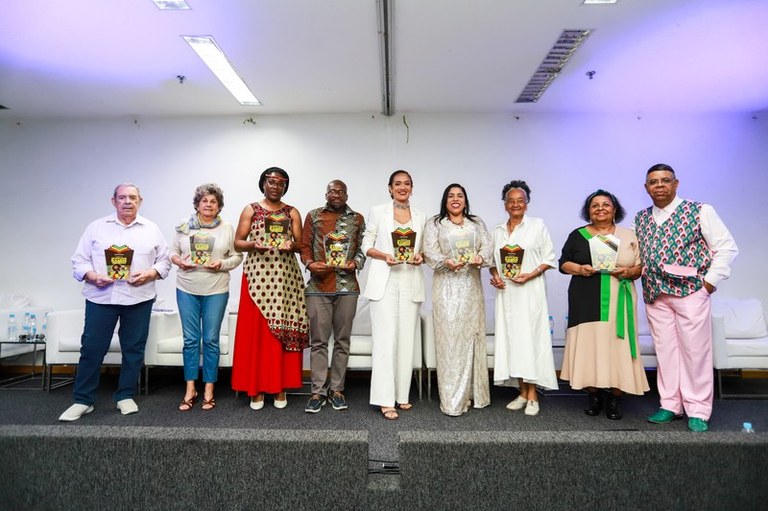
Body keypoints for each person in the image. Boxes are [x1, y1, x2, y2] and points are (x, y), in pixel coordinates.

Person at [635, 163, 738, 432]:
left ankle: (698, 409)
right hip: (655, 294)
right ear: (646, 187)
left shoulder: (700, 210)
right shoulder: (640, 218)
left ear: (676, 184)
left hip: (691, 291)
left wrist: (709, 283)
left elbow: (726, 248)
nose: (659, 185)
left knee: (695, 352)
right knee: (665, 352)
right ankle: (670, 404)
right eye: (653, 182)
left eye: (665, 180)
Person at [59, 184, 171, 421]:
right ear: (114, 201)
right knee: (92, 348)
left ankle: (125, 395)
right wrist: (92, 276)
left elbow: (164, 261)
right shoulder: (96, 227)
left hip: (139, 299)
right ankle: (83, 400)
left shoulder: (151, 229)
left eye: (132, 197)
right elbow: (79, 261)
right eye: (122, 197)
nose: (127, 201)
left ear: (140, 201)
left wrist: (150, 274)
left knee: (133, 349)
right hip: (101, 298)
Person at [558, 190, 649, 420]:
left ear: (615, 209)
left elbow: (639, 268)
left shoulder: (629, 235)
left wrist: (628, 271)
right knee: (589, 346)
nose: (600, 208)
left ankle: (616, 398)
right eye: (595, 205)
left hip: (620, 299)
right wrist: (580, 269)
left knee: (618, 346)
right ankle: (594, 395)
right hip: (585, 300)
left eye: (606, 204)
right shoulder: (577, 235)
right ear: (588, 211)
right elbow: (563, 264)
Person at [231, 167, 309, 410]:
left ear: (285, 187)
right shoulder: (251, 209)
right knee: (257, 334)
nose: (275, 186)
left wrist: (291, 245)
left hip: (285, 281)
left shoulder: (292, 212)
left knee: (280, 333)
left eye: (280, 183)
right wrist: (253, 244)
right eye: (271, 181)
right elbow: (237, 243)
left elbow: (301, 245)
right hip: (257, 279)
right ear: (263, 184)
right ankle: (255, 389)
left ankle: (280, 386)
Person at [170, 183, 243, 412]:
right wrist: (180, 261)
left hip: (216, 290)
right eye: (204, 201)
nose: (209, 205)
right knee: (191, 340)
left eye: (213, 201)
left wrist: (222, 263)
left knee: (210, 340)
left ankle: (209, 388)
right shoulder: (184, 227)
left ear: (219, 206)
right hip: (186, 289)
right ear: (197, 204)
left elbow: (237, 256)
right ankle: (190, 388)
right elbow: (172, 252)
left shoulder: (227, 228)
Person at [489, 180, 558, 416]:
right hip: (507, 293)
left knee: (530, 341)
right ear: (505, 204)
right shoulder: (497, 231)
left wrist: (531, 274)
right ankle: (521, 392)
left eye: (521, 200)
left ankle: (533, 395)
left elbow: (549, 259)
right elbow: (492, 263)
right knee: (513, 342)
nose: (516, 204)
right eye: (511, 201)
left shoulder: (537, 226)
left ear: (527, 204)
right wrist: (496, 277)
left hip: (530, 292)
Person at [362, 170, 426, 420]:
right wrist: (384, 256)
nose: (402, 187)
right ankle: (385, 400)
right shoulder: (378, 212)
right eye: (397, 184)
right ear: (390, 188)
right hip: (384, 280)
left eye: (407, 183)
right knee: (385, 340)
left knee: (406, 341)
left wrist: (421, 256)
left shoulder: (421, 216)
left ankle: (401, 396)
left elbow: (424, 249)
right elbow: (366, 245)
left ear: (412, 188)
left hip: (410, 279)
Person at [423, 183, 492, 416]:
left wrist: (480, 257)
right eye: (451, 196)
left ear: (465, 200)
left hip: (471, 287)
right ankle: (452, 400)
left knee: (471, 337)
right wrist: (446, 261)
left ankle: (472, 394)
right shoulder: (435, 223)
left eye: (460, 196)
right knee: (450, 342)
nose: (455, 199)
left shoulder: (476, 223)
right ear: (445, 200)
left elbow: (488, 247)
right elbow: (428, 251)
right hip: (446, 288)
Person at [299, 180, 366, 413]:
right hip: (318, 287)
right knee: (318, 341)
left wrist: (355, 263)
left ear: (346, 195)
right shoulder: (314, 215)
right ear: (326, 194)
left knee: (342, 341)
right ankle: (317, 392)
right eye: (332, 191)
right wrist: (310, 264)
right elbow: (304, 246)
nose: (336, 194)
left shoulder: (357, 219)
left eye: (340, 191)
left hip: (347, 287)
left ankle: (337, 390)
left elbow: (363, 248)